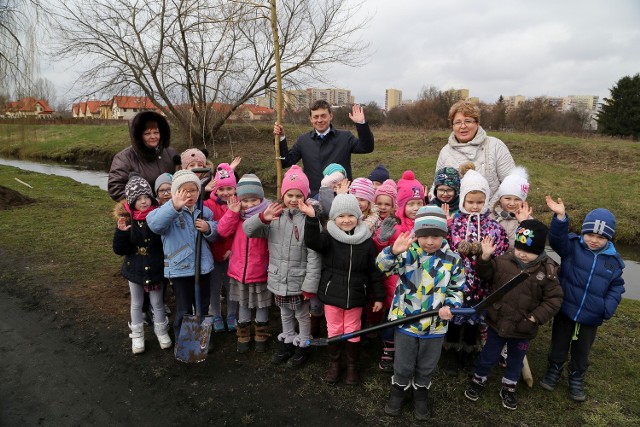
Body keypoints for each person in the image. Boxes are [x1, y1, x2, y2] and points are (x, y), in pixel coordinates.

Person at [377, 205, 465, 420]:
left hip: (435, 325)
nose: (429, 241)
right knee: (403, 363)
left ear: (443, 235)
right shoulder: (408, 253)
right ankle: (398, 392)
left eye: (435, 236)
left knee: (427, 364)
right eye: (424, 236)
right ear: (417, 235)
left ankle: (421, 395)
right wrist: (391, 252)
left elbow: (457, 288)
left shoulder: (453, 259)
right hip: (406, 320)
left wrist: (451, 307)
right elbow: (382, 267)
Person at [464, 221, 563, 411]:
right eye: (519, 247)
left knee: (516, 359)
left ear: (541, 249)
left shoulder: (548, 271)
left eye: (529, 250)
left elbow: (554, 299)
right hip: (496, 321)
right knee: (488, 354)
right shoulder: (503, 260)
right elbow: (485, 274)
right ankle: (478, 380)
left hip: (523, 328)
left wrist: (534, 318)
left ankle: (509, 388)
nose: (522, 253)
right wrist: (484, 257)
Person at [540, 197, 625, 402]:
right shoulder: (573, 248)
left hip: (591, 316)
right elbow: (557, 239)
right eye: (589, 234)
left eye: (600, 237)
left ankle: (576, 376)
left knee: (582, 350)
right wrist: (561, 218)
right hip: (566, 309)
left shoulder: (613, 262)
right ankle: (554, 368)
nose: (593, 240)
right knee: (559, 343)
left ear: (609, 239)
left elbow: (617, 287)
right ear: (583, 232)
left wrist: (607, 308)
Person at [300, 194, 385, 385]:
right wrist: (312, 219)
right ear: (334, 218)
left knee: (353, 329)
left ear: (358, 216)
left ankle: (353, 365)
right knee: (335, 328)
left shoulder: (366, 241)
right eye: (341, 216)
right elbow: (312, 242)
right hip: (332, 294)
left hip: (356, 294)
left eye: (350, 215)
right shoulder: (328, 237)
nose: (346, 220)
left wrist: (379, 297)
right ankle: (335, 364)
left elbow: (374, 271)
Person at [243, 165, 321, 367]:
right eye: (289, 194)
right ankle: (287, 342)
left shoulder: (310, 221)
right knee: (285, 313)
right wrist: (262, 218)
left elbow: (314, 256)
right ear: (283, 195)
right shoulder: (274, 217)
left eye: (298, 195)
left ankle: (303, 346)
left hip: (299, 278)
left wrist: (310, 286)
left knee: (302, 315)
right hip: (278, 277)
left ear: (305, 196)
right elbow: (248, 230)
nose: (293, 199)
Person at [443, 167, 509, 375]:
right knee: (454, 318)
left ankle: (470, 351)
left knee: (474, 318)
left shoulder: (493, 226)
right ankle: (451, 351)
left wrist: (489, 254)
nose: (474, 206)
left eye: (479, 202)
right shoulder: (455, 224)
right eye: (470, 202)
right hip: (458, 282)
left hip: (482, 284)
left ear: (486, 201)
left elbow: (502, 247)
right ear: (463, 200)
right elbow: (448, 245)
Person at [147, 170, 218, 339]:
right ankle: (182, 339)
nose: (189, 194)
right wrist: (174, 206)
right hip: (181, 269)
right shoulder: (168, 211)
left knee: (203, 304)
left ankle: (202, 337)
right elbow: (155, 225)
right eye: (183, 191)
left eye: (193, 190)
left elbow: (216, 233)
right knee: (184, 308)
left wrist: (209, 229)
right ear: (175, 193)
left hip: (203, 267)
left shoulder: (204, 211)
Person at [112, 174, 172, 354]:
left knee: (157, 302)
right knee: (137, 303)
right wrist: (121, 233)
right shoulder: (127, 220)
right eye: (139, 199)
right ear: (131, 201)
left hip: (155, 267)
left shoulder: (158, 216)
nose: (144, 201)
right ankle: (137, 335)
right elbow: (119, 249)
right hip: (135, 268)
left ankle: (161, 331)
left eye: (146, 197)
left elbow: (164, 242)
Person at [373, 170, 425, 373]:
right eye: (410, 204)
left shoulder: (425, 226)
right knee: (390, 318)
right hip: (395, 284)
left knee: (411, 319)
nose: (415, 208)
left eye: (419, 203)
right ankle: (388, 348)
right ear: (401, 206)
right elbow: (379, 252)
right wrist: (382, 239)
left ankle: (409, 350)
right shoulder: (395, 226)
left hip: (419, 283)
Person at [217, 174, 271, 353]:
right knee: (244, 303)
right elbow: (223, 231)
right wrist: (232, 212)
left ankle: (261, 334)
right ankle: (243, 335)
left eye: (253, 200)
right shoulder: (236, 216)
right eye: (244, 200)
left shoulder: (267, 216)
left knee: (262, 303)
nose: (248, 204)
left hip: (260, 270)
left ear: (261, 198)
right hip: (239, 271)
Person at [274, 101, 375, 196]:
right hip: (312, 199)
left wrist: (361, 124)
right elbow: (285, 162)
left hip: (340, 197)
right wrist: (281, 138)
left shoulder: (345, 137)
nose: (319, 120)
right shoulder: (303, 140)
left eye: (323, 116)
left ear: (331, 116)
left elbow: (367, 147)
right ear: (310, 118)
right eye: (316, 117)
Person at [435, 100, 515, 207]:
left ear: (477, 123)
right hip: (456, 216)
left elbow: (511, 183)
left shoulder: (495, 146)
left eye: (468, 121)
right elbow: (437, 186)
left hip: (495, 213)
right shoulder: (445, 152)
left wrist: (488, 211)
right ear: (452, 126)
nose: (463, 126)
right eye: (458, 122)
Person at [108, 111, 177, 202]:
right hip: (142, 212)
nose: (153, 136)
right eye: (147, 134)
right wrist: (145, 202)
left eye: (156, 132)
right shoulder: (124, 158)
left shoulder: (170, 153)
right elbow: (116, 189)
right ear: (139, 136)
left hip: (172, 209)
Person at [204, 163, 239, 333]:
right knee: (214, 287)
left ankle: (232, 314)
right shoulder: (208, 204)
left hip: (231, 254)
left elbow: (239, 231)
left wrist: (233, 249)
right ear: (215, 189)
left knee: (231, 286)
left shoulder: (238, 205)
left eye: (229, 189)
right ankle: (216, 315)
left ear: (235, 189)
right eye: (221, 188)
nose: (225, 192)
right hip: (212, 253)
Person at [491, 166, 532, 246]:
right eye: (507, 198)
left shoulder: (529, 221)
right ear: (500, 199)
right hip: (494, 257)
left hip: (518, 257)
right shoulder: (491, 217)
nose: (512, 203)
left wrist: (523, 223)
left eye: (517, 199)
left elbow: (530, 244)